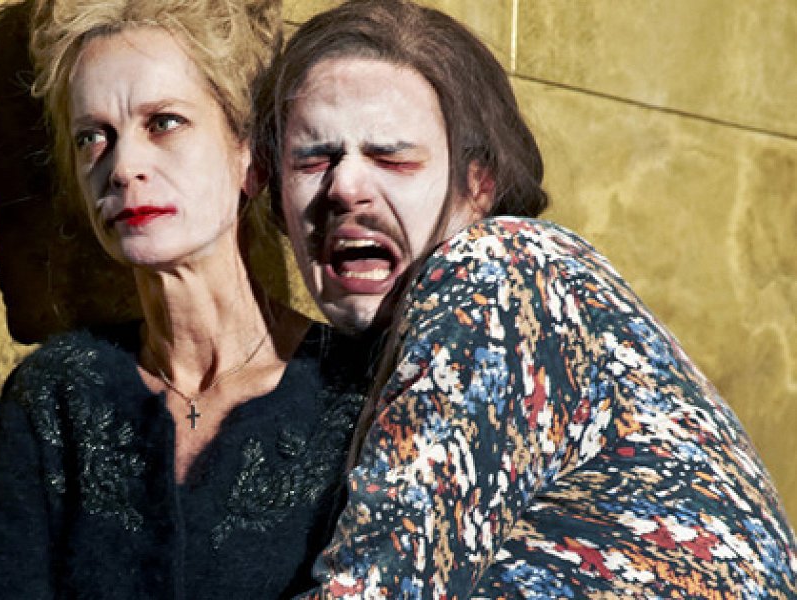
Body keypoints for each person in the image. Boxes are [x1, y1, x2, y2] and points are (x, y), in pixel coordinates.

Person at [253, 0, 797, 597]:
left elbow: (385, 586)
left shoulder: (501, 266)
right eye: (314, 158)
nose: (345, 187)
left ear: (478, 184)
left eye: (392, 158)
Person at [0, 1, 376, 598]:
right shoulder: (54, 395)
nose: (122, 167)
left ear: (250, 154)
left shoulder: (358, 394)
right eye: (92, 137)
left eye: (164, 122)